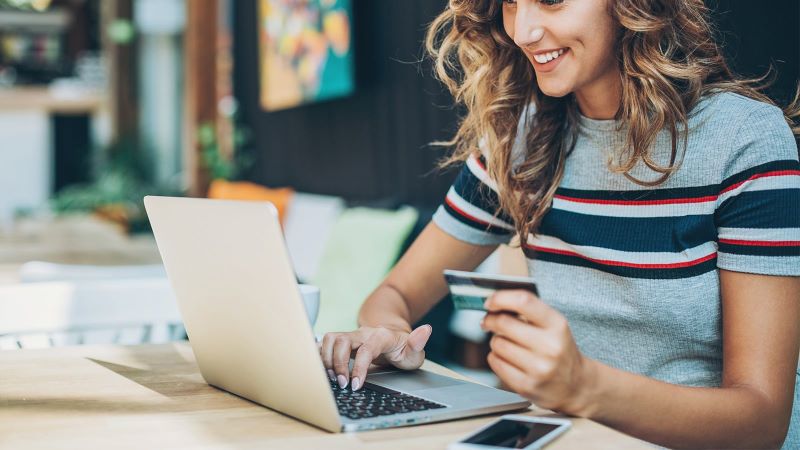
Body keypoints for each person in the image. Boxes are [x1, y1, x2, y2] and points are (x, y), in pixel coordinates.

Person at [319, 0, 800, 447]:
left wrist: (585, 387)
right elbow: (393, 296)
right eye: (509, 1)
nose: (523, 31)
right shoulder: (518, 144)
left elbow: (762, 421)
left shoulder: (743, 140)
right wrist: (388, 334)